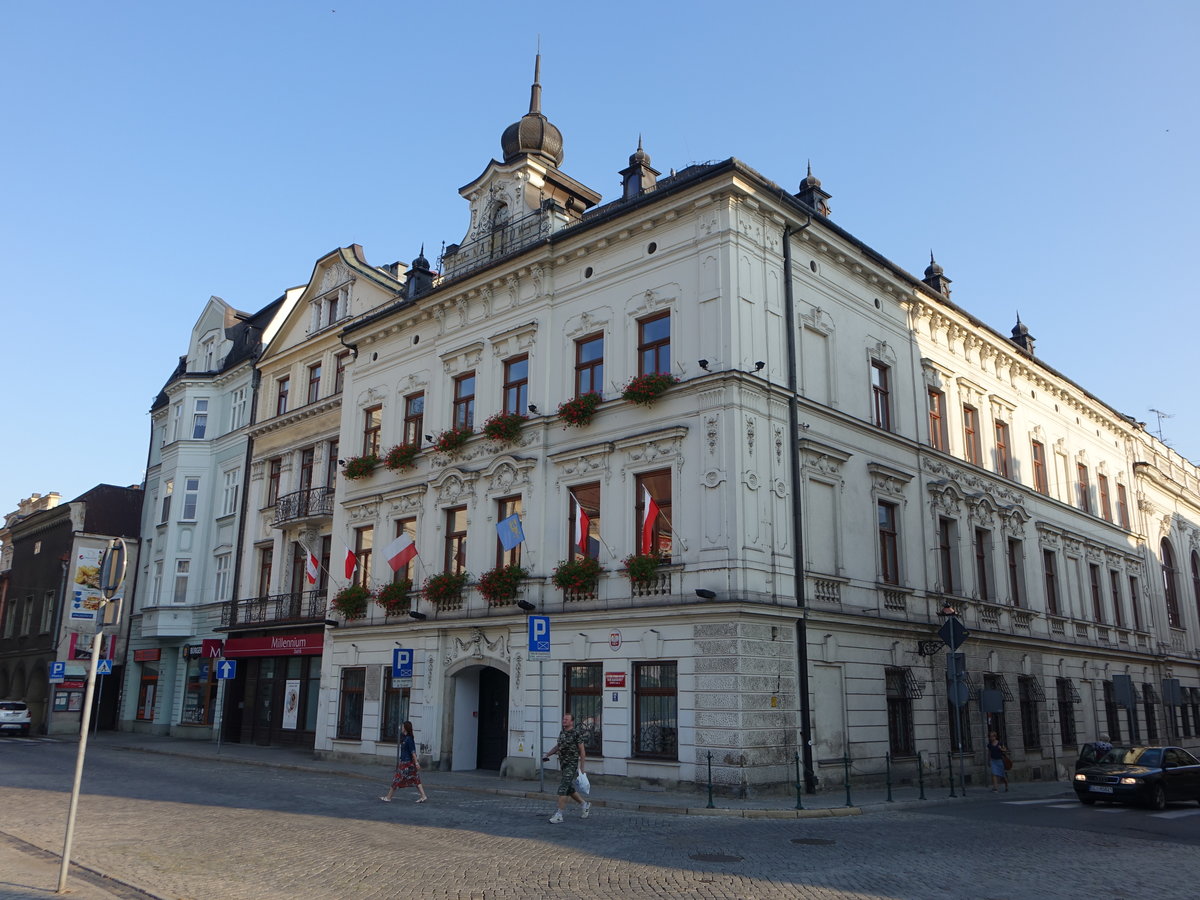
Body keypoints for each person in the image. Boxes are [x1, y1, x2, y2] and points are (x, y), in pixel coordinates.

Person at [542, 712, 591, 823]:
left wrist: (582, 768)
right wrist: (547, 755)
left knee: (563, 788)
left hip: (571, 765)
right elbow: (558, 746)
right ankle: (585, 805)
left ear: (572, 722)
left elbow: (582, 751)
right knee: (569, 788)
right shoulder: (562, 733)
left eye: (566, 719)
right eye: (564, 719)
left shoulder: (576, 733)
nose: (564, 721)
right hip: (563, 764)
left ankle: (559, 815)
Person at [380, 721, 427, 803]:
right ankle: (423, 796)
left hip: (406, 763)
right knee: (416, 779)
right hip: (407, 763)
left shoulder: (409, 739)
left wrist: (416, 763)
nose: (401, 728)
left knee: (396, 779)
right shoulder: (405, 738)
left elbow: (413, 752)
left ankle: (388, 797)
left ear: (405, 728)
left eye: (402, 727)